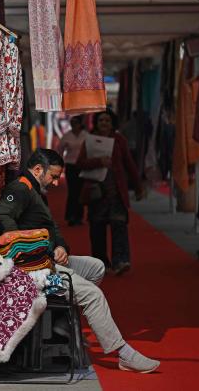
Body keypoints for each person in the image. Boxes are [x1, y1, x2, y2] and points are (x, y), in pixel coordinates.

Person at [0, 148, 159, 373]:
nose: (55, 183)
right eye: (53, 177)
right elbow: (4, 218)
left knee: (97, 267)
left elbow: (52, 227)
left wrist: (61, 246)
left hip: (47, 259)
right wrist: (23, 250)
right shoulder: (20, 190)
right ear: (37, 169)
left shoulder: (35, 190)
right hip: (35, 270)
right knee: (92, 295)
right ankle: (123, 353)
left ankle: (62, 321)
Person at [77, 110, 144, 275]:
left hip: (116, 193)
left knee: (119, 226)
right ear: (96, 123)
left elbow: (129, 164)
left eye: (107, 120)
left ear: (112, 123)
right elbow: (80, 163)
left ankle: (120, 261)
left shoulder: (119, 140)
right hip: (96, 193)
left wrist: (138, 187)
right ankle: (101, 264)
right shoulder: (90, 140)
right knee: (97, 229)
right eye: (101, 121)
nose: (104, 123)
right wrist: (98, 161)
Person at [58, 115, 87, 226]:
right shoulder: (67, 136)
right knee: (72, 191)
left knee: (80, 191)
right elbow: (60, 149)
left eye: (76, 123)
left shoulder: (86, 135)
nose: (74, 125)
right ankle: (70, 216)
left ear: (80, 124)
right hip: (70, 166)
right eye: (72, 123)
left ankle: (79, 217)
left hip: (82, 166)